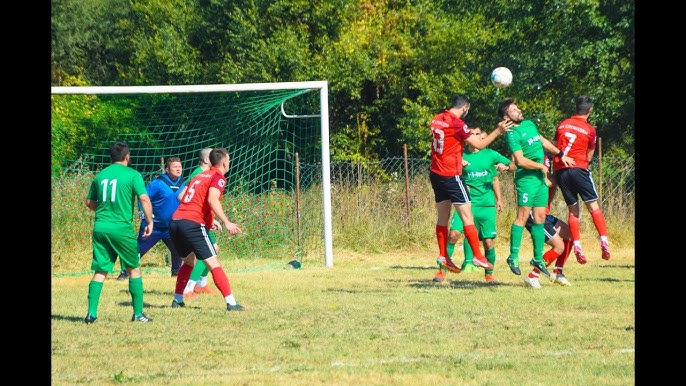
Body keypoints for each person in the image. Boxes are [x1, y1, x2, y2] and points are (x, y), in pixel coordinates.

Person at [429, 94, 510, 275]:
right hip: (451, 175)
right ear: (465, 108)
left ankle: (443, 255)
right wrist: (498, 131)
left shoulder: (437, 119)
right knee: (467, 216)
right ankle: (477, 256)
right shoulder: (457, 123)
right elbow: (479, 144)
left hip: (435, 173)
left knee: (442, 217)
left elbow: (446, 142)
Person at [498, 97, 575, 280]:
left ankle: (538, 258)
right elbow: (521, 161)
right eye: (514, 109)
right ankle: (513, 256)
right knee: (523, 216)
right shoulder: (512, 134)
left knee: (540, 217)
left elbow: (544, 141)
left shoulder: (530, 124)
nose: (518, 110)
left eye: (517, 107)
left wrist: (561, 154)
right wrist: (541, 167)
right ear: (506, 116)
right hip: (526, 181)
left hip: (539, 180)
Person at [83, 141, 154, 323]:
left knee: (100, 271)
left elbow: (89, 202)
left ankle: (91, 314)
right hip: (121, 229)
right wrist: (150, 221)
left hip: (101, 227)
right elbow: (144, 199)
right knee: (134, 269)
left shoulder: (101, 175)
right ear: (127, 156)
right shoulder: (132, 174)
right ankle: (138, 314)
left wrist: (106, 211)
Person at [169, 147, 246, 312]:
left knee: (188, 261)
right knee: (213, 262)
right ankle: (231, 303)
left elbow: (183, 196)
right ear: (225, 162)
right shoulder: (217, 177)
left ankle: (178, 299)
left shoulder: (199, 175)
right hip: (191, 223)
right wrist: (226, 221)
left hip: (176, 221)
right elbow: (212, 199)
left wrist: (208, 219)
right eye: (229, 159)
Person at [553, 95, 610, 263]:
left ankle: (577, 244)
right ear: (590, 111)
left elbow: (556, 145)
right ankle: (604, 241)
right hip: (579, 168)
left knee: (573, 211)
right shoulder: (590, 129)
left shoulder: (563, 124)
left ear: (575, 109)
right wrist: (585, 163)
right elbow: (590, 153)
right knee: (593, 206)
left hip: (561, 170)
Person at [116, 156, 185, 280]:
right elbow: (143, 198)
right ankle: (125, 272)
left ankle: (176, 273)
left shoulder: (184, 183)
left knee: (178, 249)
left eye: (180, 166)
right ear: (167, 169)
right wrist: (143, 213)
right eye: (175, 167)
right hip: (154, 226)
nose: (178, 169)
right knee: (139, 250)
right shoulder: (158, 183)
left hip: (172, 226)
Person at [522, 154, 575, 288]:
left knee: (570, 234)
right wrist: (564, 174)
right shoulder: (541, 159)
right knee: (559, 247)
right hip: (534, 214)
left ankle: (558, 271)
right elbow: (546, 182)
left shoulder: (549, 160)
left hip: (545, 214)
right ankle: (532, 276)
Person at [179, 148, 218, 298]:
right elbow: (181, 196)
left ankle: (201, 284)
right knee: (210, 251)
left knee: (212, 250)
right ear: (207, 160)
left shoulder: (203, 173)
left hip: (200, 220)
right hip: (194, 221)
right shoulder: (199, 174)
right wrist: (194, 212)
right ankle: (189, 287)